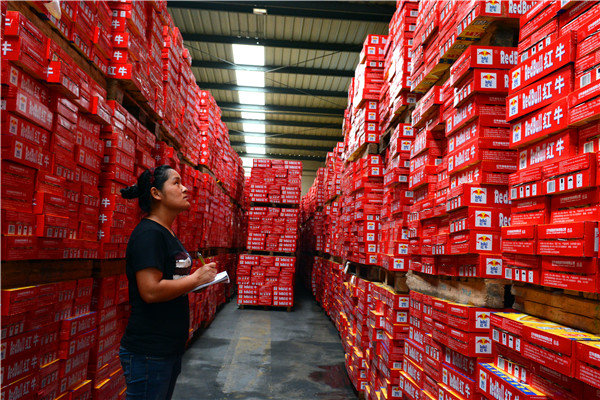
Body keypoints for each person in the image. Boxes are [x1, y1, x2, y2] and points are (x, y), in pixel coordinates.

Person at [119, 165, 217, 400]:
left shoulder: (166, 233)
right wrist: (195, 279)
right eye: (176, 183)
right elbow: (151, 291)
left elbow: (171, 282)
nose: (185, 189)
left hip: (167, 349)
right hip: (149, 351)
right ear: (156, 193)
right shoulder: (149, 234)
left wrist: (197, 281)